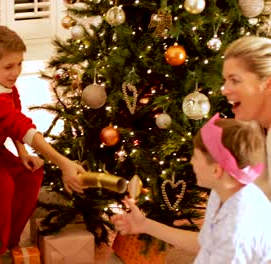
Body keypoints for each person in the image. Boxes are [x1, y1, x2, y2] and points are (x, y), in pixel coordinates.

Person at [0, 25, 87, 262]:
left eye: (19, 64)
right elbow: (19, 124)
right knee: (2, 185)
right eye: (8, 66)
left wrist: (22, 151)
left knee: (30, 172)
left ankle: (11, 241)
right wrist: (63, 162)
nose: (15, 72)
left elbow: (12, 117)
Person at [112, 114, 271, 263]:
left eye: (196, 157)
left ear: (216, 170)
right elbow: (208, 242)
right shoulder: (222, 192)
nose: (192, 163)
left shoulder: (239, 222)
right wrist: (146, 225)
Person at [221, 35, 271, 199]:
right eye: (225, 80)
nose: (225, 90)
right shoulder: (258, 132)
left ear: (267, 84)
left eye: (235, 80)